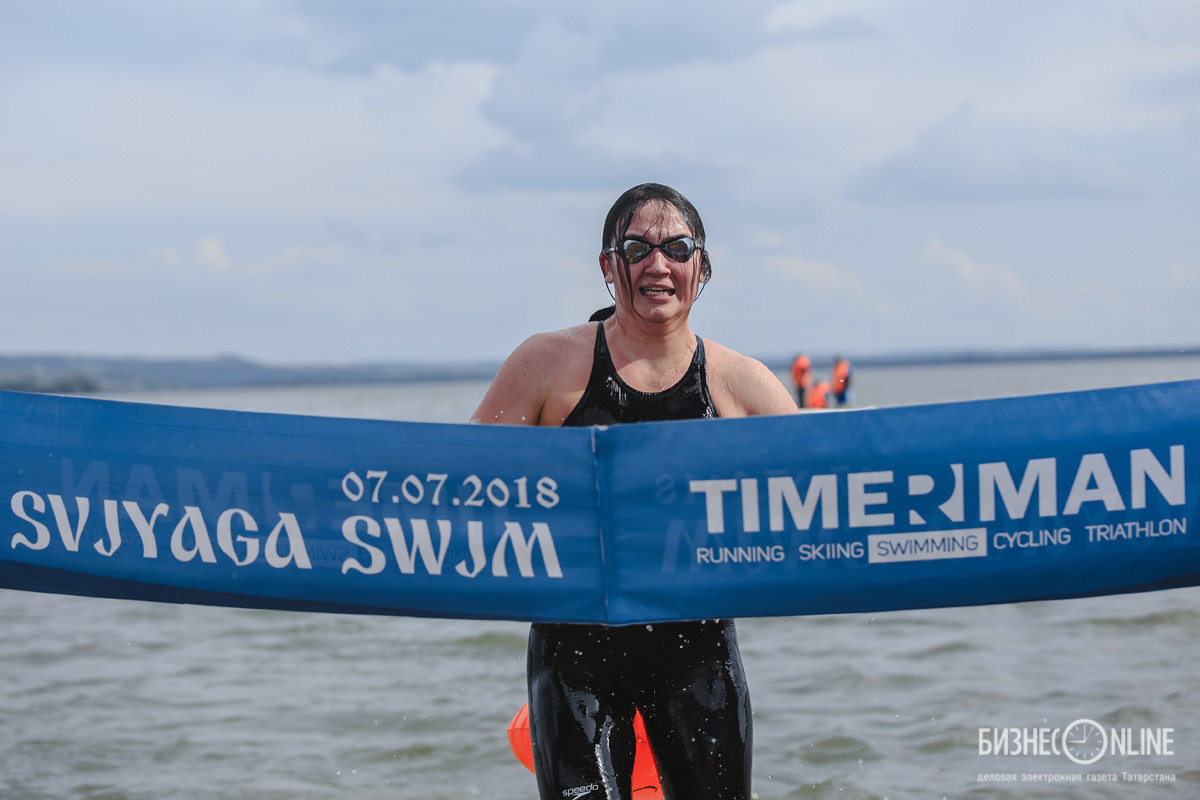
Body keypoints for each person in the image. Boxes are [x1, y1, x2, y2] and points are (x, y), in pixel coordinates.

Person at [472, 183, 798, 799]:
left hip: (698, 652)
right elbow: (465, 485)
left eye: (676, 247)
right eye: (635, 247)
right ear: (606, 266)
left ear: (701, 268)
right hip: (574, 655)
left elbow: (829, 494)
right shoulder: (545, 367)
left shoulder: (742, 387)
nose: (657, 264)